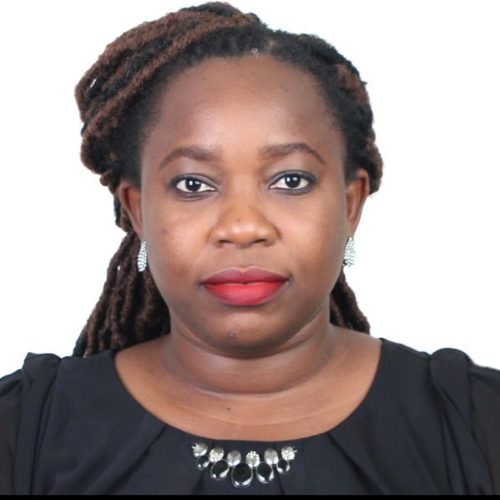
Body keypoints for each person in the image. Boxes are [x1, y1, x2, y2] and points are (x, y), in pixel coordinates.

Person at [0, 1, 499, 495]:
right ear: (137, 211)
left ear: (351, 205)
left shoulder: (475, 427)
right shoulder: (24, 431)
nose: (242, 228)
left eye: (290, 180)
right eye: (193, 184)